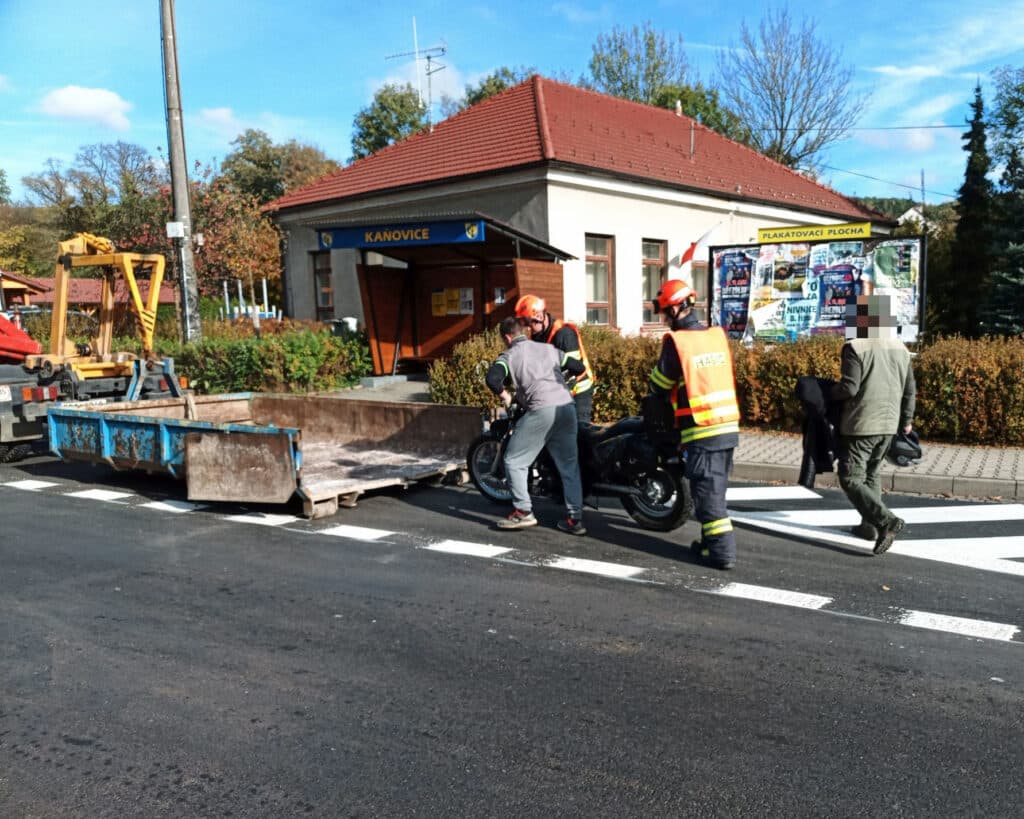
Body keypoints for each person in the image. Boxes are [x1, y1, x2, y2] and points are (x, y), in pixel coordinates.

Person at [648, 280, 741, 570]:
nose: (664, 319)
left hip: (703, 428)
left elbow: (660, 384)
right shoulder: (715, 336)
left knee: (708, 499)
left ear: (675, 308)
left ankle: (722, 554)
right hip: (727, 425)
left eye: (664, 312)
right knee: (714, 488)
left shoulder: (680, 343)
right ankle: (706, 546)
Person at [484, 315, 587, 535]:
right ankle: (574, 519)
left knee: (513, 461)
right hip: (567, 407)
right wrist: (561, 380)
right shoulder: (547, 349)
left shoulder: (509, 356)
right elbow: (578, 366)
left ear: (507, 337)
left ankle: (523, 512)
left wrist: (506, 396)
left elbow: (492, 379)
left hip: (542, 410)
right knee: (569, 466)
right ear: (524, 332)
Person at [831, 293, 915, 555]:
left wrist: (828, 392)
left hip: (861, 422)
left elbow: (850, 387)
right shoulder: (900, 348)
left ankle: (885, 520)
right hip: (890, 424)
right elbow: (910, 389)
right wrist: (907, 420)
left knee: (850, 478)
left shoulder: (856, 347)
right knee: (872, 474)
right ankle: (868, 527)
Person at [514, 294, 596, 423]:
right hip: (559, 388)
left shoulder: (564, 334)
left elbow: (573, 371)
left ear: (540, 317)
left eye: (528, 323)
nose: (527, 328)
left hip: (579, 389)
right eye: (524, 324)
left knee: (579, 431)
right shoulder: (537, 336)